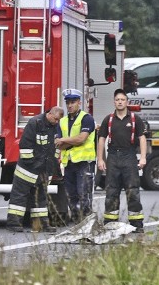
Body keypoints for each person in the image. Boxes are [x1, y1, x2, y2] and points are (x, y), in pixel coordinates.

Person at [6, 106, 64, 233]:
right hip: (27, 170)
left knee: (41, 199)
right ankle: (13, 223)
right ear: (49, 114)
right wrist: (33, 164)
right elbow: (25, 145)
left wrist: (51, 167)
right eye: (55, 119)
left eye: (58, 120)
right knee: (19, 197)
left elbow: (55, 147)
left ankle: (40, 225)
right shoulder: (35, 123)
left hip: (43, 170)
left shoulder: (55, 127)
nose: (56, 122)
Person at [97, 89, 147, 233]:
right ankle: (110, 223)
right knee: (112, 191)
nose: (120, 102)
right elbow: (101, 139)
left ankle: (136, 224)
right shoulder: (109, 119)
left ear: (127, 102)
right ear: (114, 102)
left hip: (129, 156)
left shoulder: (135, 119)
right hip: (113, 157)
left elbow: (142, 139)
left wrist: (142, 157)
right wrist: (100, 159)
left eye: (122, 100)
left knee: (133, 191)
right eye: (117, 100)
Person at [54, 89, 96, 223]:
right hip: (69, 163)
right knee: (71, 195)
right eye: (68, 103)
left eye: (73, 102)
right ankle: (77, 222)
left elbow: (81, 139)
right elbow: (58, 144)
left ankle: (87, 222)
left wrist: (65, 140)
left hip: (84, 162)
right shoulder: (62, 121)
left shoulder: (87, 118)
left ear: (79, 102)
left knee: (84, 194)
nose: (70, 105)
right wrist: (66, 142)